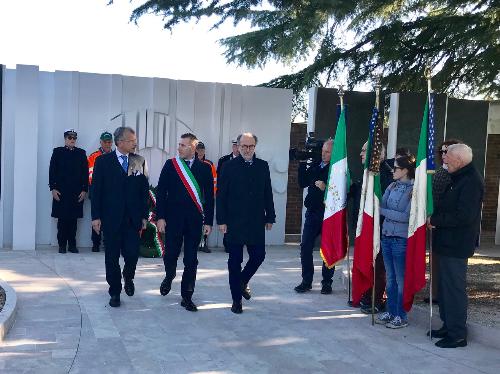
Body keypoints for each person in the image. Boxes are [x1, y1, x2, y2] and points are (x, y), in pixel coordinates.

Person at [427, 144, 484, 348]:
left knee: (453, 289)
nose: (444, 161)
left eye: (447, 158)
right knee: (444, 288)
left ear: (459, 160)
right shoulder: (458, 177)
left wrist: (436, 220)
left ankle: (457, 334)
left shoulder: (471, 181)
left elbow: (464, 216)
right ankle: (448, 325)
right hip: (446, 242)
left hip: (456, 244)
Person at [217, 132, 276, 314]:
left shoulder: (263, 166)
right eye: (244, 146)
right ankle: (236, 300)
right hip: (234, 222)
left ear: (255, 147)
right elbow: (221, 196)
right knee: (234, 261)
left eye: (250, 146)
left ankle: (242, 281)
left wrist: (270, 216)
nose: (247, 149)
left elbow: (267, 193)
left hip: (256, 221)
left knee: (259, 255)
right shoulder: (228, 167)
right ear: (238, 146)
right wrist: (221, 220)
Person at [91, 127, 149, 308]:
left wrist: (144, 215)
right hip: (111, 218)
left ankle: (128, 276)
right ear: (120, 142)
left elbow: (144, 191)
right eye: (132, 140)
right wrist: (96, 217)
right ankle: (115, 291)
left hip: (132, 219)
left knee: (132, 254)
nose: (135, 143)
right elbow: (96, 191)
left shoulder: (139, 161)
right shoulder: (102, 162)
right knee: (111, 257)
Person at [156, 133, 214, 312]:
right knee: (171, 254)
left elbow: (209, 198)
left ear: (193, 148)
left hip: (194, 221)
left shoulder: (205, 168)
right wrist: (160, 217)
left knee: (191, 259)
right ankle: (169, 275)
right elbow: (161, 192)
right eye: (179, 144)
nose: (179, 148)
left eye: (183, 145)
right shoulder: (171, 165)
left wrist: (208, 222)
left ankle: (187, 296)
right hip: (173, 220)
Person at [375, 154, 415, 329]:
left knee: (400, 279)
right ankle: (391, 312)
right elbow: (382, 205)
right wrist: (383, 210)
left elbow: (406, 217)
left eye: (396, 168)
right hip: (387, 236)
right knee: (390, 278)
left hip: (401, 239)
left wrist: (383, 211)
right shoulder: (391, 186)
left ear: (405, 170)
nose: (393, 171)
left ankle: (401, 315)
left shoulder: (413, 190)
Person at [293, 139, 336, 295]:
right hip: (312, 212)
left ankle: (327, 282)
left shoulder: (336, 169)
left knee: (328, 248)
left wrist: (326, 188)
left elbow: (344, 192)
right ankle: (306, 281)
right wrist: (303, 162)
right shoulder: (316, 166)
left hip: (329, 214)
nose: (324, 154)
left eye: (327, 152)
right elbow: (302, 182)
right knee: (305, 246)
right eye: (323, 151)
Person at [426, 139, 462, 304]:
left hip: (449, 224)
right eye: (442, 151)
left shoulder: (459, 175)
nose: (444, 154)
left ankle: (443, 295)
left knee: (447, 265)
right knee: (434, 260)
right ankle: (434, 293)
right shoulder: (439, 172)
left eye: (447, 151)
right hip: (435, 220)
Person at [49, 129, 88, 254]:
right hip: (61, 192)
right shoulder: (58, 152)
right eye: (69, 138)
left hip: (76, 192)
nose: (72, 140)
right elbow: (52, 171)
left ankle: (72, 245)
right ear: (65, 139)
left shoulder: (81, 153)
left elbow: (85, 173)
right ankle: (61, 245)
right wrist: (53, 188)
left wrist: (84, 190)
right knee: (62, 220)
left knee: (73, 221)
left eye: (74, 138)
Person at [87, 131, 114, 252]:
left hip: (111, 194)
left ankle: (108, 243)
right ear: (101, 142)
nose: (108, 144)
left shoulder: (116, 156)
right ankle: (96, 243)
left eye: (109, 142)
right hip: (96, 191)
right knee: (96, 217)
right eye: (105, 142)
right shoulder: (93, 156)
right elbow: (90, 175)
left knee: (109, 219)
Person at [217, 139, 240, 253]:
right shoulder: (224, 160)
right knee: (228, 221)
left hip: (241, 197)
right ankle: (227, 244)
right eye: (236, 146)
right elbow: (220, 177)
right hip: (227, 195)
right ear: (233, 147)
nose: (237, 148)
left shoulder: (249, 160)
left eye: (239, 146)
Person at [196, 141, 217, 253]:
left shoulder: (209, 164)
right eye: (198, 149)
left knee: (205, 220)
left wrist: (212, 194)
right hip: (194, 197)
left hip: (205, 197)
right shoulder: (189, 163)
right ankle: (193, 243)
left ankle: (203, 243)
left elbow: (214, 180)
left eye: (202, 150)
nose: (200, 152)